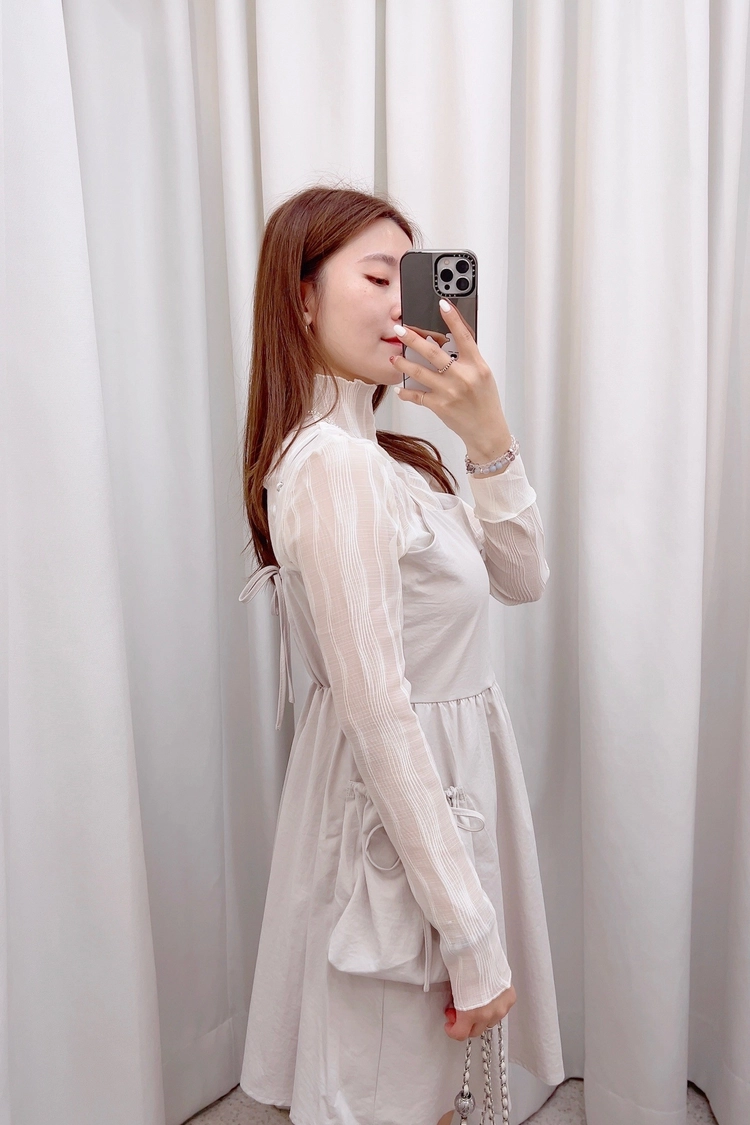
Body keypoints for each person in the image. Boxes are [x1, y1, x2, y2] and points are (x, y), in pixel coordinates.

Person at [238, 186, 564, 1125]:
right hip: (399, 815)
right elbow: (378, 711)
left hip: (440, 802)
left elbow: (523, 576)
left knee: (422, 1087)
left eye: (409, 279)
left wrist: (487, 436)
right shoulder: (334, 467)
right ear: (302, 299)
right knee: (389, 1087)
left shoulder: (394, 460)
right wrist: (470, 935)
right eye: (377, 277)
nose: (402, 304)